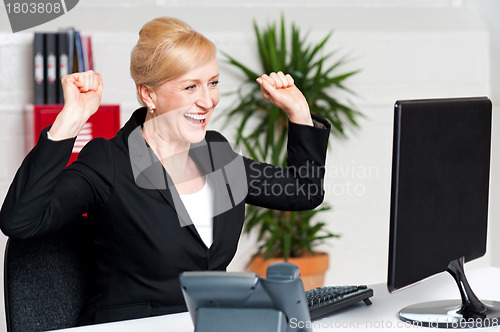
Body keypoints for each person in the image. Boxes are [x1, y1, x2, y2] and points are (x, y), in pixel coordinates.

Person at [0, 17, 331, 325]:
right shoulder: (111, 161)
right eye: (190, 88)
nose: (207, 101)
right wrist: (71, 118)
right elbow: (20, 220)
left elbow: (303, 191)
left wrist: (299, 111)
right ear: (149, 94)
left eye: (212, 83)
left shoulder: (216, 155)